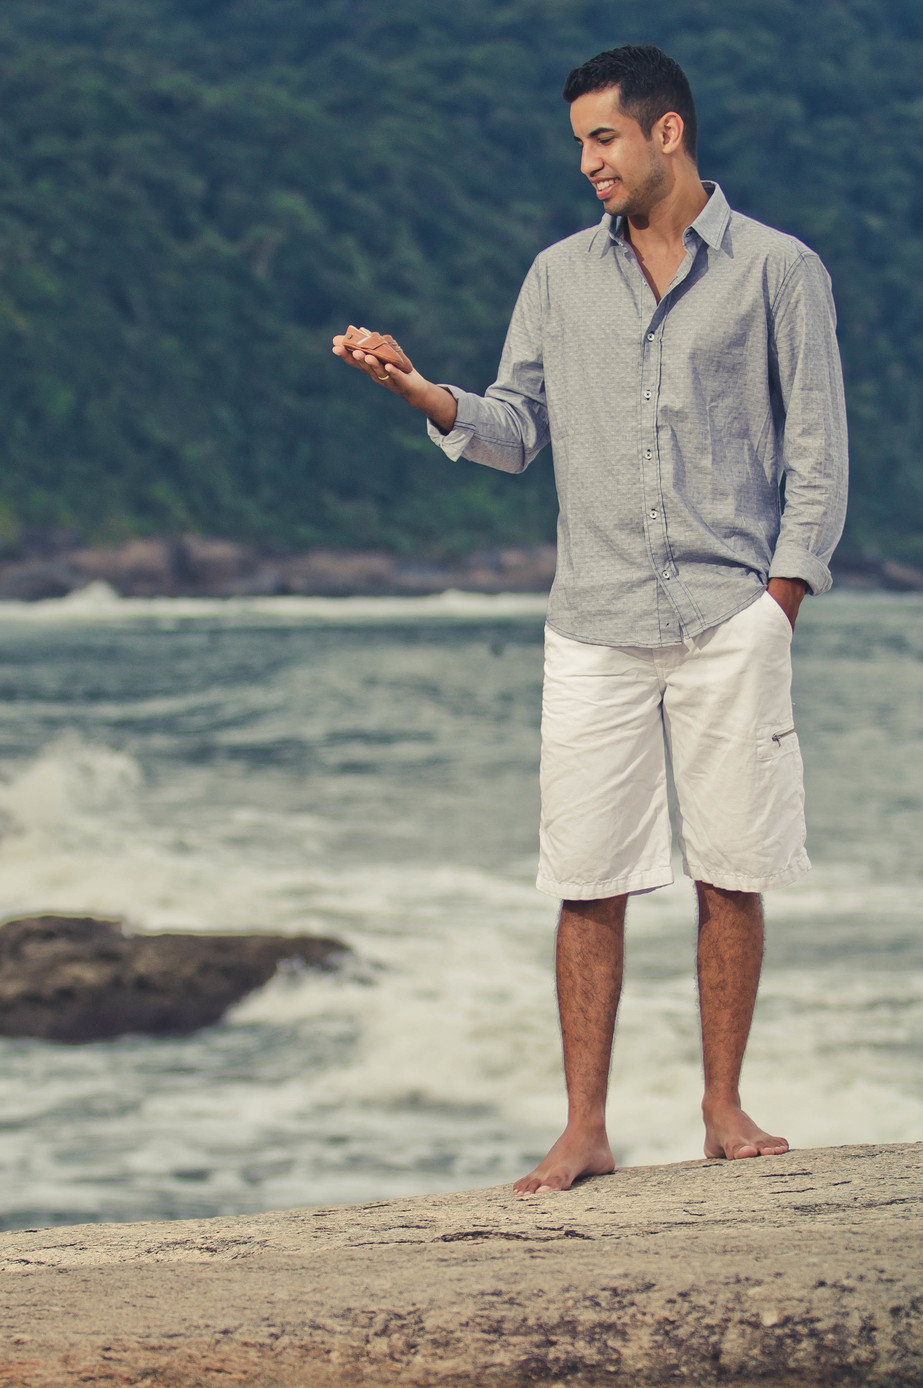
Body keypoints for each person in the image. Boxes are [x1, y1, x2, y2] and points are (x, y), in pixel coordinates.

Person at [333, 43, 847, 1190]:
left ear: (666, 133)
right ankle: (584, 1130)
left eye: (602, 139)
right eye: (579, 143)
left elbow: (815, 454)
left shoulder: (778, 271)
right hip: (592, 620)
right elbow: (515, 428)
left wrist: (781, 602)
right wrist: (427, 396)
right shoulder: (556, 277)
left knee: (731, 866)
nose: (586, 164)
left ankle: (720, 1107)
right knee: (586, 875)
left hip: (731, 616)